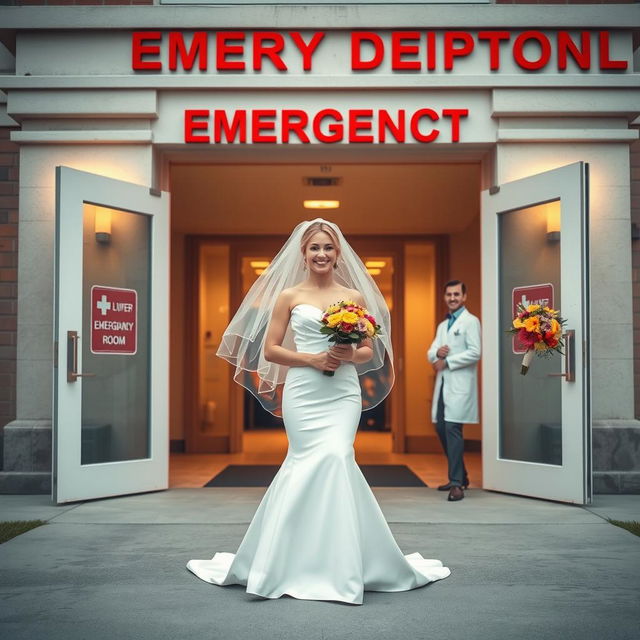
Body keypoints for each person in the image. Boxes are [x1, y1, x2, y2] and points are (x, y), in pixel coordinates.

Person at [187, 219, 450, 604]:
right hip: (303, 391)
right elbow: (270, 351)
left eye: (328, 247)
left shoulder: (354, 298)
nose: (322, 254)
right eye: (314, 248)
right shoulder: (288, 296)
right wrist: (311, 359)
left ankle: (342, 563)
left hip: (342, 393)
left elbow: (367, 351)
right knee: (304, 461)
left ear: (338, 253)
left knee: (338, 456)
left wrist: (349, 354)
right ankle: (285, 558)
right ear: (303, 254)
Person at [427, 280, 481, 503]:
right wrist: (437, 353)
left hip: (459, 384)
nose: (452, 298)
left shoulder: (471, 321)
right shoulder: (443, 325)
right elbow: (431, 352)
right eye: (448, 294)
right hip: (443, 385)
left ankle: (456, 484)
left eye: (456, 294)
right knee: (441, 427)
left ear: (464, 296)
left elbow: (476, 352)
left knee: (452, 429)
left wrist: (448, 361)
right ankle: (462, 475)